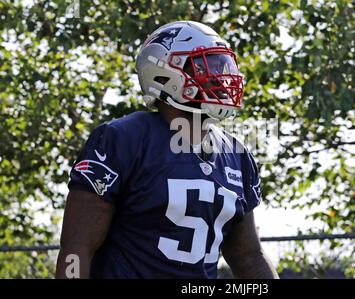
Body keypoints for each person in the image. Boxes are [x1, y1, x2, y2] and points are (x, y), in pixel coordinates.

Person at [55, 20, 278, 279]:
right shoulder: (123, 139)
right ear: (163, 75)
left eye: (223, 65)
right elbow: (77, 249)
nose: (222, 76)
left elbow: (248, 255)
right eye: (208, 65)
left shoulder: (236, 155)